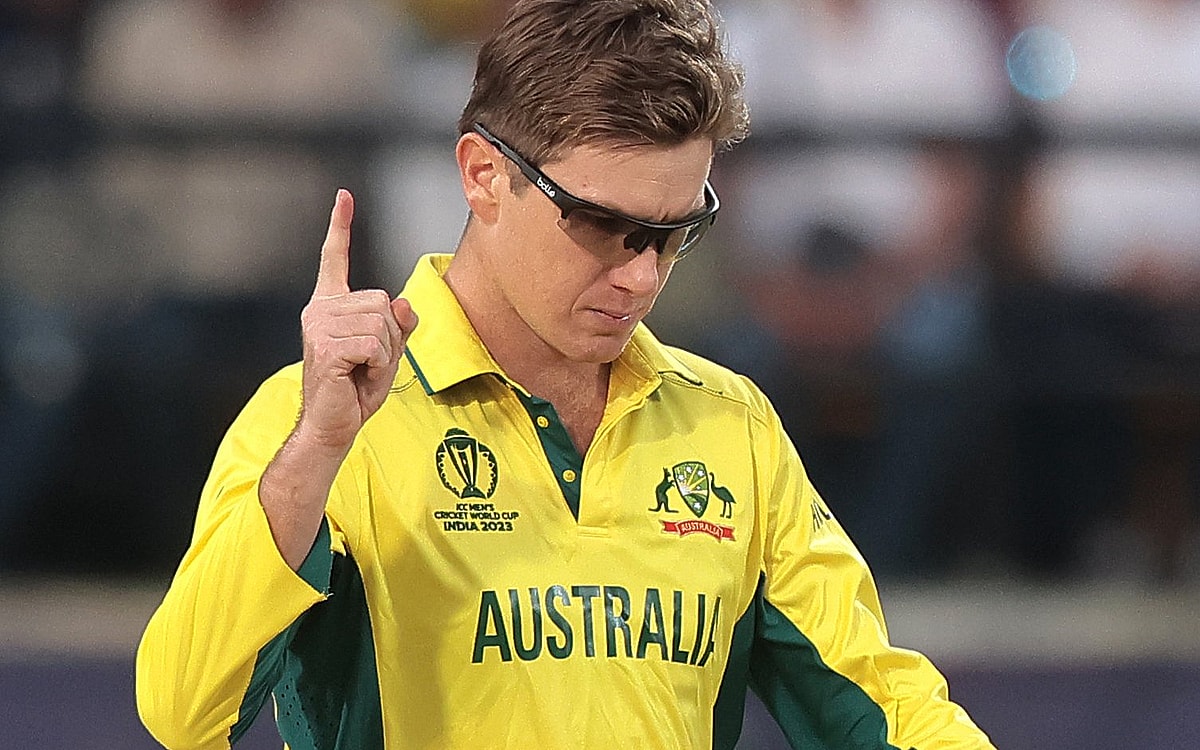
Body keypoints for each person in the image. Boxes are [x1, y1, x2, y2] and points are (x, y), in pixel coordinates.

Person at [135, 1, 995, 748]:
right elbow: (183, 712)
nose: (642, 277)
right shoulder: (317, 423)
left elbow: (885, 708)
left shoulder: (732, 426)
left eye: (673, 233)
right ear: (483, 176)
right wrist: (318, 451)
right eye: (600, 224)